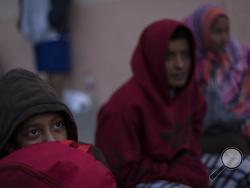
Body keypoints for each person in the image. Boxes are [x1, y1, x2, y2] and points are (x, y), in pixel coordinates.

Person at [95, 19, 208, 188]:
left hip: (183, 170)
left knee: (242, 167)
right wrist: (181, 174)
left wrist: (189, 167)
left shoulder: (188, 93)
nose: (180, 65)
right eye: (169, 56)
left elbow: (192, 140)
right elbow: (123, 172)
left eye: (185, 55)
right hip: (141, 182)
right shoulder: (122, 107)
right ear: (152, 58)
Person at [0, 68, 116, 187]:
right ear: (10, 145)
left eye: (57, 125)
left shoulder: (91, 157)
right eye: (34, 132)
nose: (51, 140)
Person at [185, 3, 250, 187]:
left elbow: (244, 102)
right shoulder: (187, 62)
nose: (223, 38)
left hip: (234, 130)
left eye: (226, 31)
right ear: (202, 32)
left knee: (239, 149)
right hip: (197, 136)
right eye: (216, 31)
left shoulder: (238, 57)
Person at [18, 0, 72, 97]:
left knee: (57, 76)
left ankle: (57, 108)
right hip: (37, 34)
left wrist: (50, 20)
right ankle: (51, 107)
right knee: (45, 79)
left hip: (54, 33)